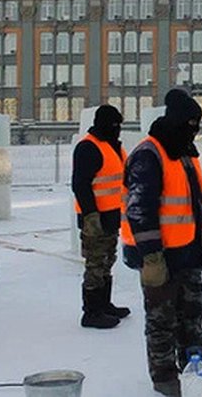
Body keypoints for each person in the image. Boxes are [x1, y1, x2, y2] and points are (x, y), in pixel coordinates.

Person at [122, 89, 202, 397]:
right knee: (162, 318)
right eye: (191, 123)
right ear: (177, 121)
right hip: (160, 255)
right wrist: (151, 256)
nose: (194, 130)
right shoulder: (149, 154)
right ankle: (164, 374)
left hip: (189, 251)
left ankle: (195, 359)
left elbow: (193, 203)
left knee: (193, 311)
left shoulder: (184, 152)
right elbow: (139, 209)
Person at [71, 105, 130, 329]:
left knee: (107, 261)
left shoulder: (112, 146)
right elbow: (80, 185)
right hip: (94, 219)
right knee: (95, 264)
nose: (117, 129)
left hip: (113, 216)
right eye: (114, 125)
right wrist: (90, 216)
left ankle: (104, 304)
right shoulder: (88, 147)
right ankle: (92, 312)